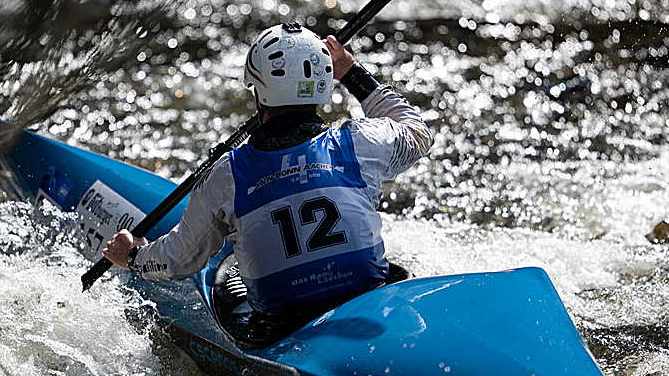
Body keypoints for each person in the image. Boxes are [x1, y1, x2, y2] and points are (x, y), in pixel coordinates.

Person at [102, 23, 432, 315]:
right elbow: (417, 132)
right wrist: (349, 71)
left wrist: (132, 256)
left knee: (231, 252)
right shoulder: (359, 143)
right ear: (324, 87)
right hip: (366, 298)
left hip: (283, 324)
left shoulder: (226, 175)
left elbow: (178, 260)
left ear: (259, 96)